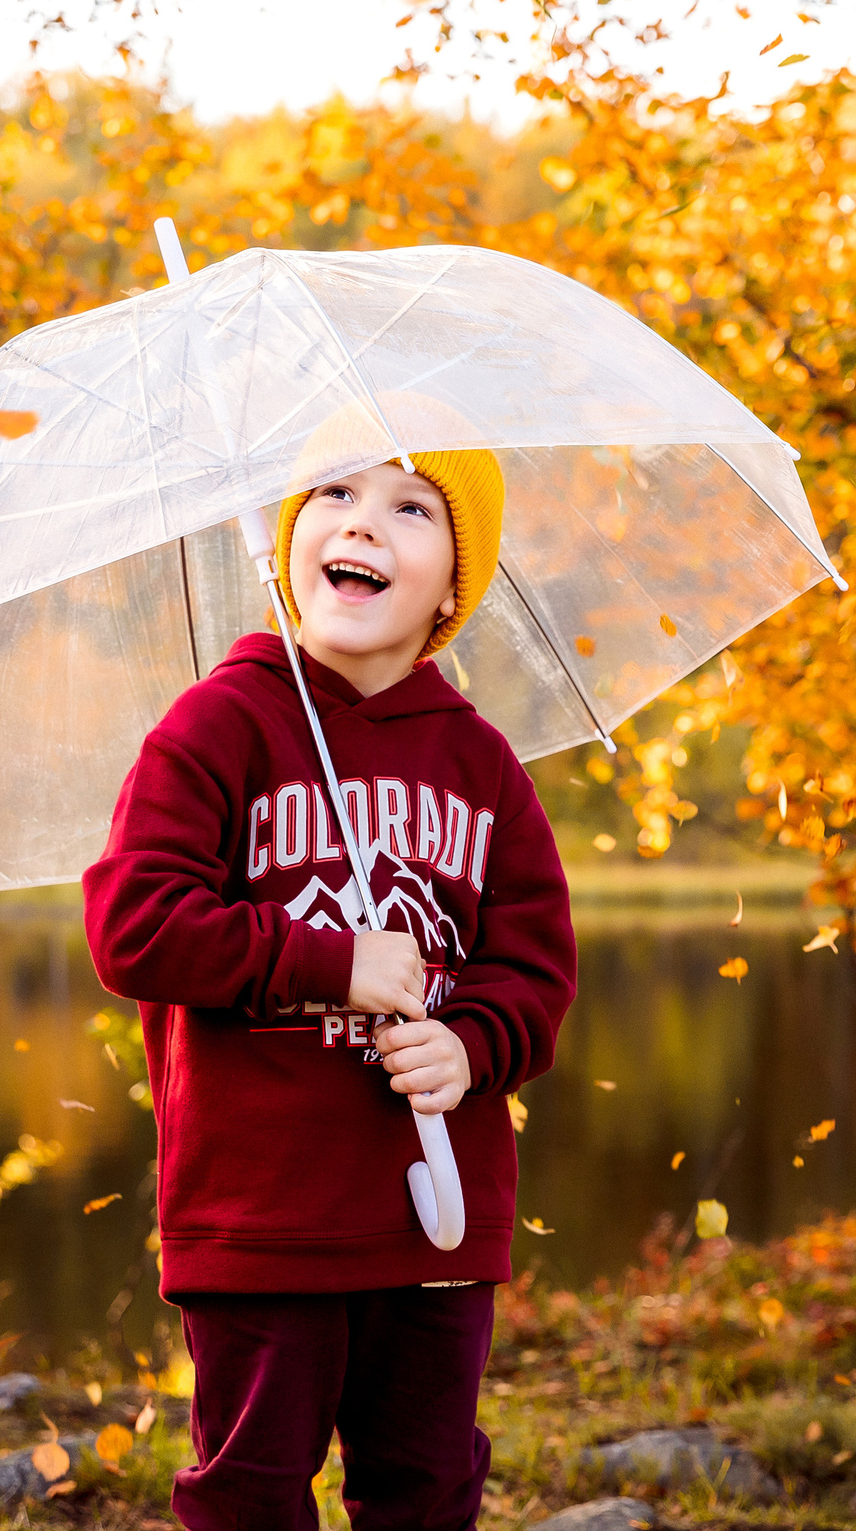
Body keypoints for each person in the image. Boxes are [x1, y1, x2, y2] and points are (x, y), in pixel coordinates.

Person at [83, 446, 578, 1531]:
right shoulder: (217, 728)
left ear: (453, 583)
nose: (361, 523)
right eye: (335, 496)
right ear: (287, 544)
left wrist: (471, 1044)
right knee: (251, 1491)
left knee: (425, 1487)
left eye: (410, 507)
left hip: (433, 1215)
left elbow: (533, 968)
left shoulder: (482, 763)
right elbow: (133, 927)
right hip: (261, 1209)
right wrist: (326, 960)